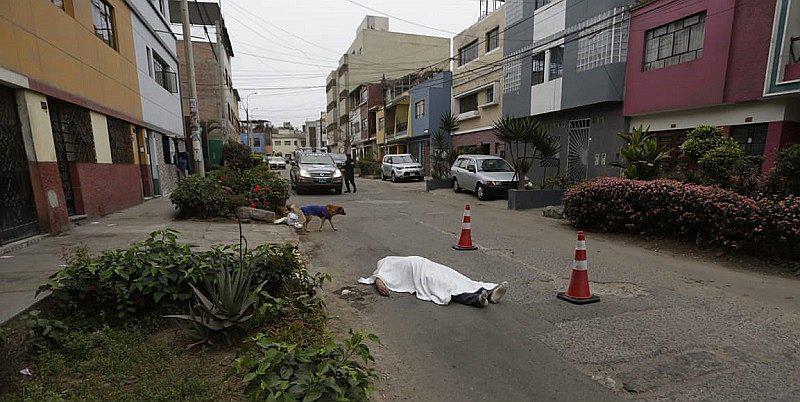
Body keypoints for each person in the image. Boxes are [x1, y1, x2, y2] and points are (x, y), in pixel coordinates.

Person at [358, 256, 508, 307]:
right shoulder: (382, 268)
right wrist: (379, 283)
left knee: (455, 278)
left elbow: (377, 276)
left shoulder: (386, 261)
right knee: (443, 288)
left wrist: (378, 282)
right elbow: (377, 277)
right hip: (419, 276)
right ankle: (478, 299)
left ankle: (490, 294)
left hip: (425, 265)